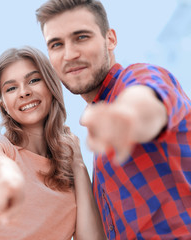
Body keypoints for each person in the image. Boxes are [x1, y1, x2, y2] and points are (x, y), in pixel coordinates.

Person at [36, 0, 191, 239]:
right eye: (56, 44)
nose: (69, 54)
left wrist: (127, 117)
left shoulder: (138, 77)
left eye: (81, 37)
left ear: (110, 39)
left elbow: (148, 100)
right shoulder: (100, 151)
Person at [0, 46, 105, 239]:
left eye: (34, 80)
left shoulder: (69, 171)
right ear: (3, 103)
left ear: (51, 85)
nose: (24, 92)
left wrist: (78, 164)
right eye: (11, 88)